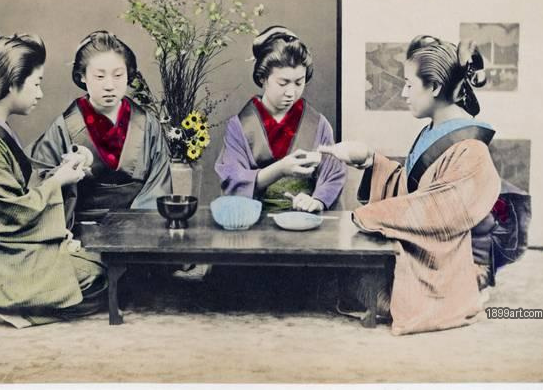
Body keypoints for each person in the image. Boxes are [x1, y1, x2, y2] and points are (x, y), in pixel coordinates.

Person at [320, 34, 501, 335]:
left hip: (439, 269)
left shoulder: (473, 150)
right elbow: (410, 188)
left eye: (408, 84)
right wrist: (369, 160)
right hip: (422, 252)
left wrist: (373, 215)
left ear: (434, 87)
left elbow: (437, 210)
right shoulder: (433, 131)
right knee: (339, 277)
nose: (403, 93)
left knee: (346, 284)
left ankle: (463, 293)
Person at [0, 27, 105, 327]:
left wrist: (60, 173)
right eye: (36, 83)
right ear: (13, 84)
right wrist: (57, 182)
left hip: (0, 243)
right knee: (95, 277)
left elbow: (14, 193)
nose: (40, 93)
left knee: (95, 265)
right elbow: (9, 213)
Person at [29, 30, 171, 225]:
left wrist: (135, 227)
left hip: (136, 228)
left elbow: (158, 186)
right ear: (83, 77)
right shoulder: (65, 126)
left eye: (118, 75)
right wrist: (65, 175)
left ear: (128, 75)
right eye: (99, 76)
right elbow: (41, 181)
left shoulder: (147, 124)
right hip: (78, 229)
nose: (109, 85)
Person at [215, 25, 346, 212]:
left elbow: (334, 172)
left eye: (299, 82)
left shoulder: (318, 123)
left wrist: (316, 201)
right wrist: (280, 169)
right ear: (263, 78)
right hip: (255, 221)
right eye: (283, 83)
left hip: (306, 220)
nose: (291, 93)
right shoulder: (240, 126)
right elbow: (232, 180)